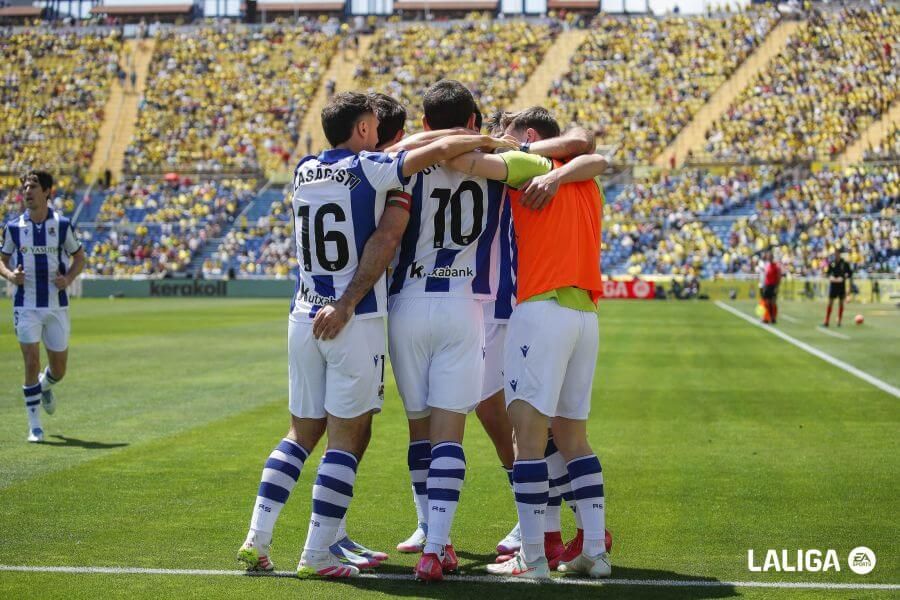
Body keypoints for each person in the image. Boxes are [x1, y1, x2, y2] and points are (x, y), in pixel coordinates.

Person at [236, 91, 513, 580]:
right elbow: (396, 218)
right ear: (364, 127)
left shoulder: (303, 169)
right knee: (346, 437)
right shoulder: (375, 169)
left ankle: (257, 539)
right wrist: (486, 138)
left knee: (301, 433)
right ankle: (320, 550)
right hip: (353, 317)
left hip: (303, 314)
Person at [445, 106, 610, 579]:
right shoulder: (586, 180)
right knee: (575, 438)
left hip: (540, 310)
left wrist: (483, 143)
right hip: (585, 313)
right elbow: (592, 152)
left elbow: (464, 163)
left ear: (531, 135)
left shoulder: (530, 163)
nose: (500, 137)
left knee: (529, 441)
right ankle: (594, 553)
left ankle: (533, 556)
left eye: (508, 131)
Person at [0, 171, 85, 443]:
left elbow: (79, 257)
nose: (27, 191)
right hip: (26, 305)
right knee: (31, 360)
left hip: (56, 306)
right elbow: (1, 259)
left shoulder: (62, 225)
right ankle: (34, 426)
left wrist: (69, 279)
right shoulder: (14, 227)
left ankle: (45, 385)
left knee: (59, 369)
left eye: (33, 186)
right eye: (24, 187)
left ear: (47, 192)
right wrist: (11, 275)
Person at [824, 248, 852, 327]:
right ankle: (827, 320)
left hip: (841, 285)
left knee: (841, 303)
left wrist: (844, 277)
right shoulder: (832, 263)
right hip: (833, 285)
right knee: (830, 302)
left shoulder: (844, 263)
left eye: (837, 253)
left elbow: (849, 273)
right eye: (835, 253)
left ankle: (839, 321)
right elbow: (827, 273)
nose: (836, 255)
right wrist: (830, 277)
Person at [760, 251, 782, 324]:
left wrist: (777, 287)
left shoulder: (776, 266)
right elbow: (765, 276)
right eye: (768, 256)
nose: (769, 258)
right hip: (767, 286)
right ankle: (766, 317)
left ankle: (773, 318)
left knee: (772, 303)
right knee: (766, 302)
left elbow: (778, 277)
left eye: (770, 256)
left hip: (773, 286)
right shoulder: (767, 265)